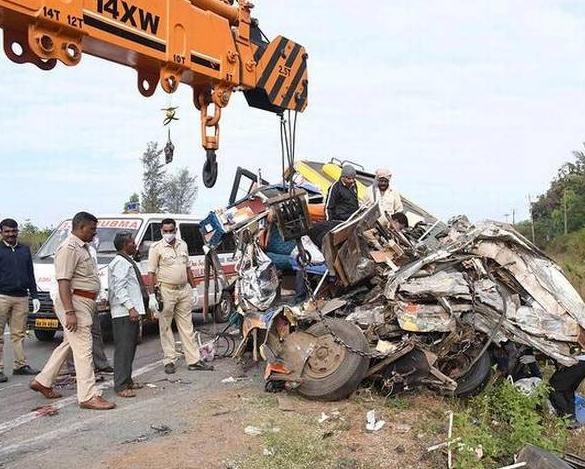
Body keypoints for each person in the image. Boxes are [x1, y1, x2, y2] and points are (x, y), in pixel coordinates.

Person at [31, 212, 115, 410]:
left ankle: (43, 380)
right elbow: (63, 282)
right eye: (92, 229)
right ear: (81, 227)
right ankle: (88, 395)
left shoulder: (83, 248)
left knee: (69, 343)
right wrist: (69, 311)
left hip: (83, 301)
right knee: (84, 349)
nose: (95, 233)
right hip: (75, 303)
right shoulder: (68, 248)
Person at [147, 218, 213, 374]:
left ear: (175, 230)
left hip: (183, 290)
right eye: (165, 231)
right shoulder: (156, 248)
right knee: (165, 327)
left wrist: (194, 288)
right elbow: (151, 273)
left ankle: (194, 360)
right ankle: (169, 360)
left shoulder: (183, 245)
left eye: (171, 231)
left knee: (187, 326)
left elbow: (188, 268)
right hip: (166, 291)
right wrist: (151, 296)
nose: (168, 234)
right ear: (161, 231)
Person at [0, 218, 41, 382]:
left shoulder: (24, 249)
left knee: (19, 334)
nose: (11, 234)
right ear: (1, 232)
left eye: (14, 231)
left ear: (17, 231)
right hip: (2, 296)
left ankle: (20, 365)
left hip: (22, 297)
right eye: (7, 231)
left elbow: (30, 274)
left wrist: (35, 295)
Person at [108, 232, 147, 398]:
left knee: (130, 348)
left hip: (130, 311)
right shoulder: (120, 263)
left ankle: (128, 380)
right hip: (123, 312)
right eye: (132, 242)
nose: (135, 245)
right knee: (124, 350)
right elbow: (120, 288)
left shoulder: (126, 261)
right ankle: (121, 385)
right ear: (125, 245)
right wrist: (130, 307)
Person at [549, 358, 585, 429]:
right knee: (568, 390)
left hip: (577, 361)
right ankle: (571, 418)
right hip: (580, 362)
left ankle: (568, 419)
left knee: (554, 387)